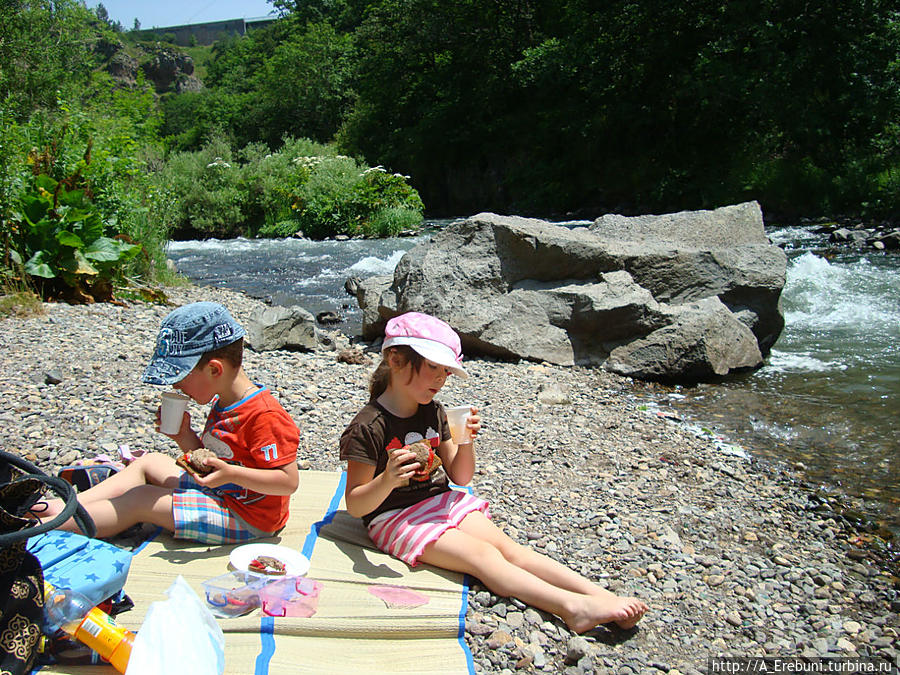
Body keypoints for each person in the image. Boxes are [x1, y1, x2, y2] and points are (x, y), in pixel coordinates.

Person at [340, 311, 647, 633]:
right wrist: (388, 479)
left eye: (446, 371)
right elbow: (357, 505)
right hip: (394, 517)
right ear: (396, 358)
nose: (441, 379)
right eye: (433, 367)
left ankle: (599, 595)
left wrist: (465, 439)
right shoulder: (368, 426)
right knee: (484, 557)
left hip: (439, 502)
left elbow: (461, 478)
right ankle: (573, 608)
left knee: (511, 549)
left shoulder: (434, 411)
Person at [39, 301, 300, 544]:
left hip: (248, 518)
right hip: (221, 491)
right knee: (149, 462)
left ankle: (43, 529)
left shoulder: (264, 416)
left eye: (180, 376)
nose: (175, 385)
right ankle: (61, 508)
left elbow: (287, 482)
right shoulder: (224, 401)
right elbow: (212, 462)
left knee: (141, 500)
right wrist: (183, 435)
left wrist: (231, 474)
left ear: (214, 369)